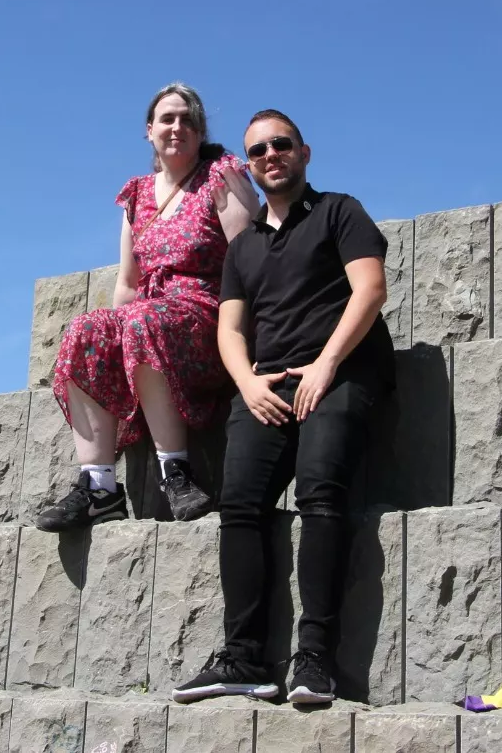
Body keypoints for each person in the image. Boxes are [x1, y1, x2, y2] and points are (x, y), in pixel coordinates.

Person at [173, 109, 393, 706]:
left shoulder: (339, 211)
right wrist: (246, 384)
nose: (271, 155)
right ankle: (243, 657)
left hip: (340, 374)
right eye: (258, 150)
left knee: (320, 491)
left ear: (304, 152)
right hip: (268, 386)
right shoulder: (243, 247)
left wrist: (326, 363)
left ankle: (315, 658)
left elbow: (370, 288)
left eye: (281, 144)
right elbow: (229, 330)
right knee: (240, 504)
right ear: (248, 165)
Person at [36, 83, 259, 532]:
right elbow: (127, 284)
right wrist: (112, 345)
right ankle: (99, 487)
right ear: (149, 130)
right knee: (87, 328)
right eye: (167, 118)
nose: (177, 127)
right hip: (150, 322)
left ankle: (175, 471)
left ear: (200, 131)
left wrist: (254, 345)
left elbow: (251, 263)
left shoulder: (221, 176)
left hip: (206, 319)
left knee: (141, 320)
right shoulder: (136, 195)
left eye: (187, 119)